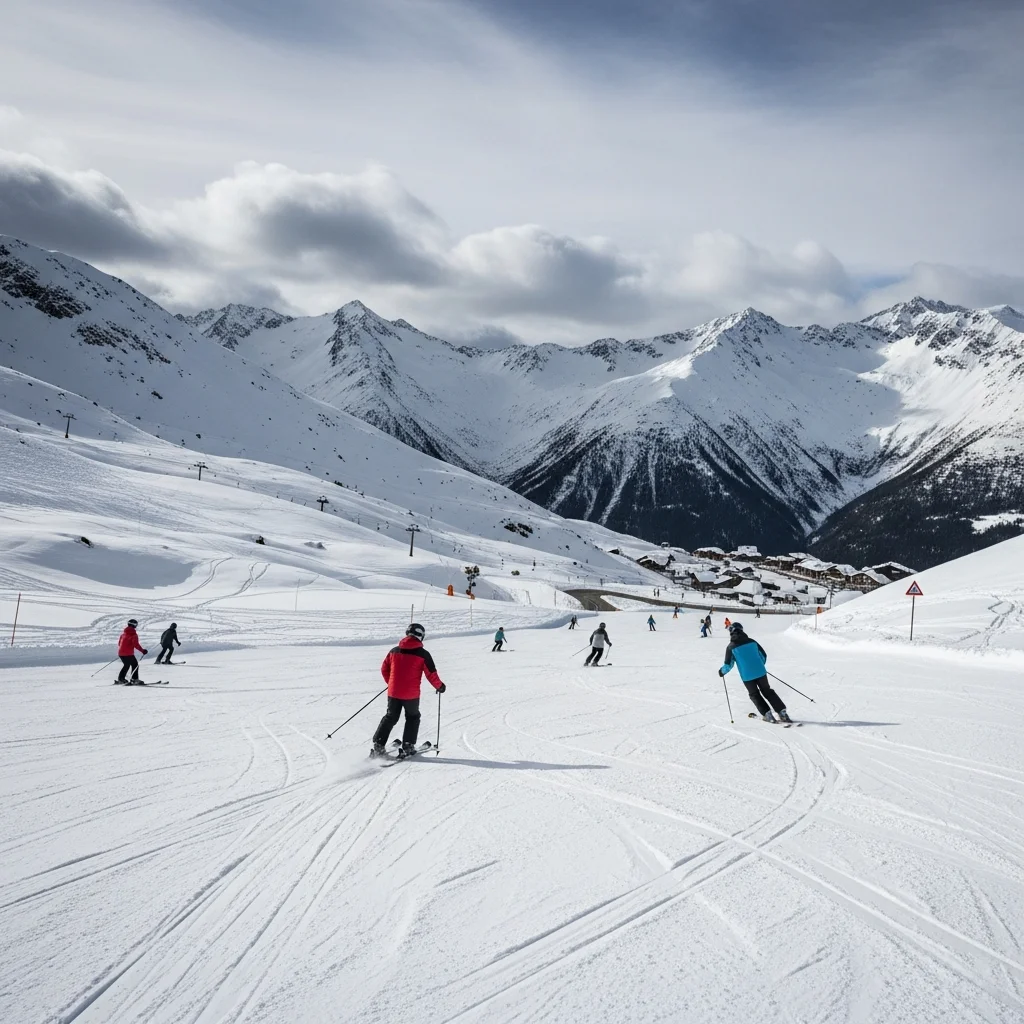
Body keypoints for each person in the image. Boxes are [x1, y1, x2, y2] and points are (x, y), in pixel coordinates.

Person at [371, 623, 446, 757]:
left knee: (390, 716)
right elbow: (431, 674)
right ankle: (408, 745)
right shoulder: (423, 654)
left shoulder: (394, 650)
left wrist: (392, 683)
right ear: (420, 636)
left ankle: (378, 744)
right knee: (413, 717)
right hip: (411, 695)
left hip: (393, 692)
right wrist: (439, 686)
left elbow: (384, 669)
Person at [718, 622, 791, 723]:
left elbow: (728, 665)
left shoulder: (731, 647)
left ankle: (767, 714)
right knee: (767, 691)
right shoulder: (752, 641)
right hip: (761, 672)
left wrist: (722, 672)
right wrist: (759, 666)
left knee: (754, 694)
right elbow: (763, 656)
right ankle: (782, 713)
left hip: (747, 676)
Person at [116, 618, 148, 684]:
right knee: (134, 665)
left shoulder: (123, 634)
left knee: (127, 665)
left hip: (121, 653)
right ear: (135, 625)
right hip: (128, 654)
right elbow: (136, 645)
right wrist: (143, 651)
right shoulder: (134, 635)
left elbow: (119, 644)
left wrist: (123, 650)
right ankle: (134, 679)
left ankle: (121, 679)